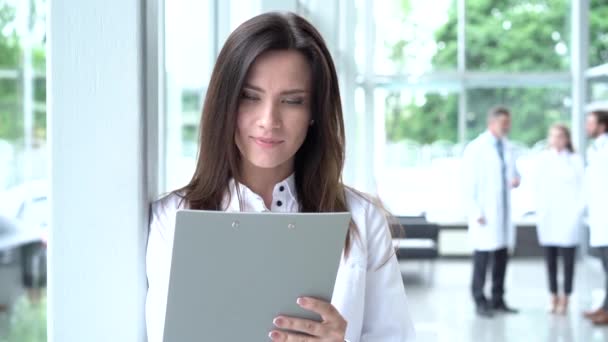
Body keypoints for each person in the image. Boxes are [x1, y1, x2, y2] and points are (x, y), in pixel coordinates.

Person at [145, 11, 415, 342]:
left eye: (292, 101)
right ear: (225, 102)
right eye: (250, 96)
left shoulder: (361, 220)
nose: (268, 120)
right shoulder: (172, 219)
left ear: (314, 112)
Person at [462, 106, 520, 318]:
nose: (508, 127)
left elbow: (513, 172)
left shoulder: (507, 146)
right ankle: (480, 300)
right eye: (504, 123)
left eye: (508, 123)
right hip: (484, 214)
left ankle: (498, 298)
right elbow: (468, 184)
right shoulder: (476, 148)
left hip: (503, 214)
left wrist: (516, 179)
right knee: (482, 260)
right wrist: (476, 211)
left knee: (501, 258)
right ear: (492, 123)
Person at [532, 124, 584, 315]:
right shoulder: (543, 160)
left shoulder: (575, 160)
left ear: (567, 139)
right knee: (550, 260)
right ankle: (553, 295)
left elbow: (582, 188)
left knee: (568, 261)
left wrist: (577, 212)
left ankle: (566, 297)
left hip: (569, 216)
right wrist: (539, 209)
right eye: (553, 136)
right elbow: (535, 186)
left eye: (560, 136)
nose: (556, 140)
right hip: (548, 216)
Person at [582, 110, 608, 325]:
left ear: (602, 125)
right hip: (600, 217)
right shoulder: (596, 148)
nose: (586, 126)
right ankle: (604, 307)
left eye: (590, 123)